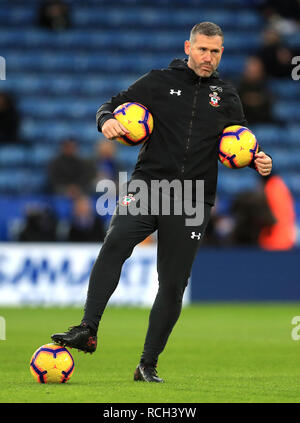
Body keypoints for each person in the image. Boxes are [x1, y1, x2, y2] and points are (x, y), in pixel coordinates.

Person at [51, 22, 273, 383]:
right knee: (115, 243)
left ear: (221, 53)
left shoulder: (227, 96)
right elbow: (109, 105)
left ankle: (147, 364)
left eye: (215, 51)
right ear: (188, 47)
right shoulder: (157, 81)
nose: (208, 57)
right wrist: (106, 121)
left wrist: (258, 158)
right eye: (202, 49)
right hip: (148, 186)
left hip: (192, 199)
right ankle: (87, 329)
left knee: (172, 283)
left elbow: (240, 142)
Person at [238, 56, 273, 124]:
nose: (253, 71)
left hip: (263, 122)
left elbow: (269, 103)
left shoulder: (266, 86)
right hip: (242, 123)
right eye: (251, 68)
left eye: (256, 69)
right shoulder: (238, 85)